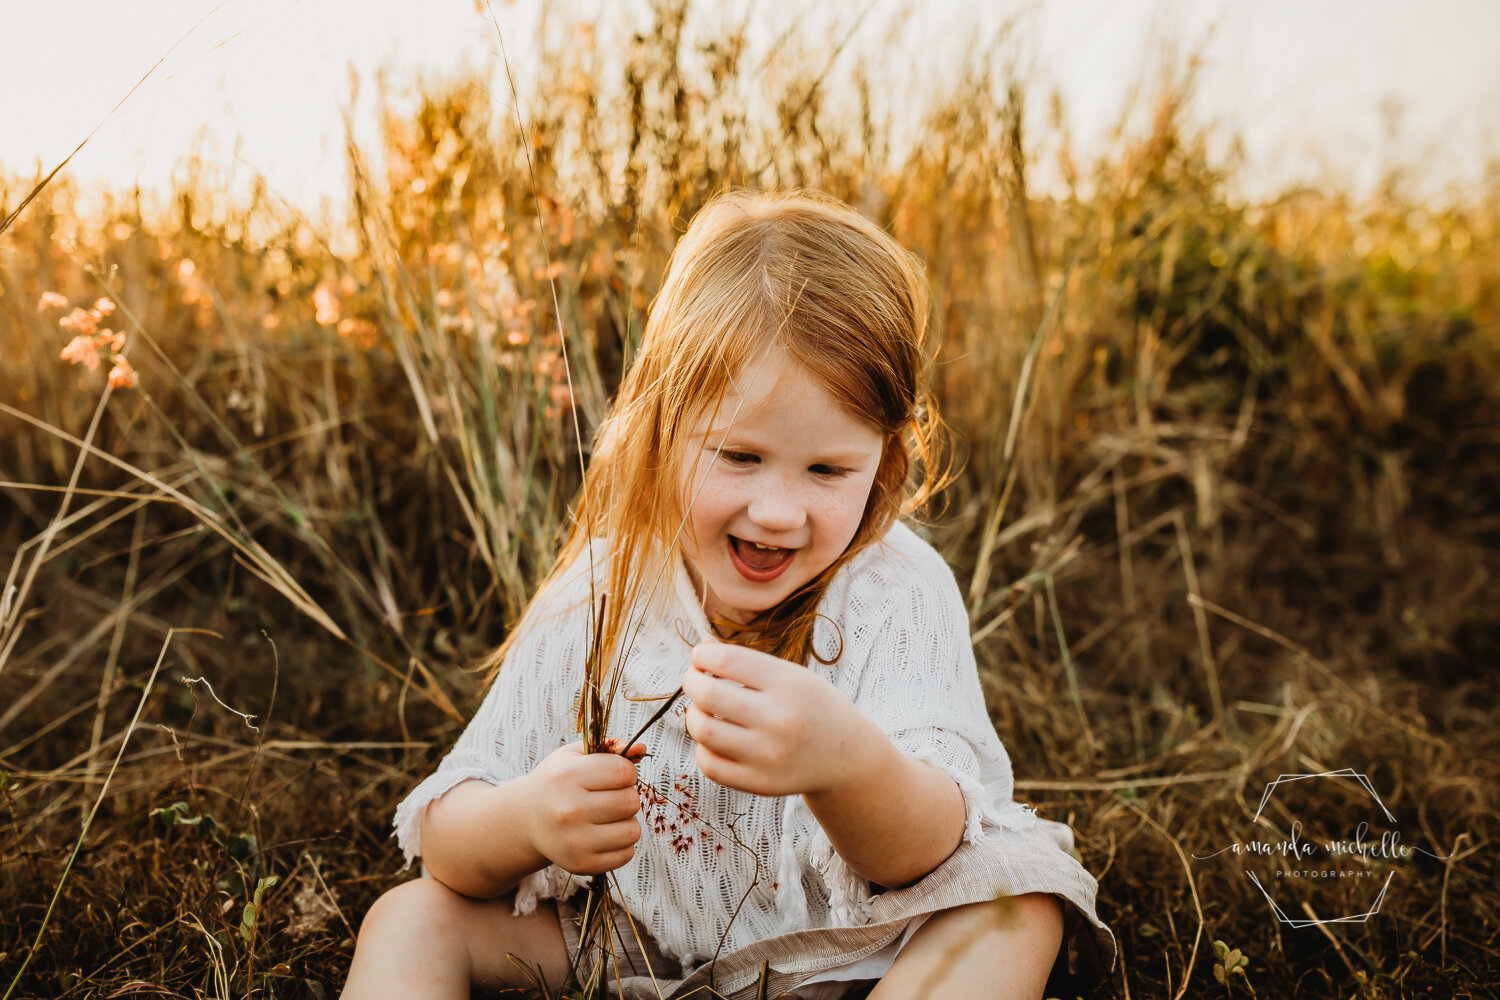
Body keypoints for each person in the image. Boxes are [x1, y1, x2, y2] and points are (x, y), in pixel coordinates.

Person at [341, 189, 1112, 1000]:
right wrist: (529, 818)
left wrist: (843, 761)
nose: (777, 512)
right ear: (664, 426)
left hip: (849, 954)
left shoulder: (896, 593)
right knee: (410, 916)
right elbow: (451, 848)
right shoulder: (607, 591)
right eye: (739, 457)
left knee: (1011, 909)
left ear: (882, 461)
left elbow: (927, 851)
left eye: (827, 470)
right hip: (629, 945)